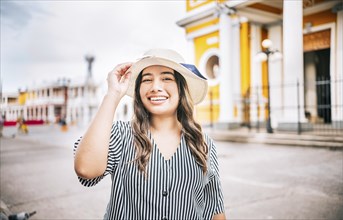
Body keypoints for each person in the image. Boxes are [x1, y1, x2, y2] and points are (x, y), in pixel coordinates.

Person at [73, 49, 226, 220]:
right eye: (147, 80)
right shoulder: (120, 134)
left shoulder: (204, 144)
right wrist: (113, 94)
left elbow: (215, 209)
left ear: (181, 88)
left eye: (167, 78)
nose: (155, 87)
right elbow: (86, 169)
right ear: (138, 90)